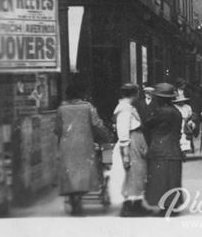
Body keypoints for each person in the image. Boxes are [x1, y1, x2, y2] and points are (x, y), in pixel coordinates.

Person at [55, 82, 111, 216]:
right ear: (82, 94)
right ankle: (78, 198)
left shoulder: (61, 109)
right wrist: (107, 136)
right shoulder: (88, 107)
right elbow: (98, 124)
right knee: (82, 172)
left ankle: (74, 199)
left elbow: (57, 129)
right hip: (84, 144)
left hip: (67, 145)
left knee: (70, 172)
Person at [143, 83, 185, 216]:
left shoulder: (159, 112)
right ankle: (172, 206)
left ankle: (164, 207)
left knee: (160, 180)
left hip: (159, 149)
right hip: (173, 149)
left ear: (160, 98)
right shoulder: (177, 112)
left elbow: (147, 125)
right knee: (172, 179)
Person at [112, 83, 150, 217]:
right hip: (131, 143)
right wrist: (126, 154)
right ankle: (128, 207)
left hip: (136, 141)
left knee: (139, 174)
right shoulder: (124, 110)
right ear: (134, 94)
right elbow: (123, 133)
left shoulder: (128, 108)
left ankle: (137, 205)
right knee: (132, 174)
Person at [174, 93, 196, 158]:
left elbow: (191, 115)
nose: (181, 102)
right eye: (179, 101)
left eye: (182, 101)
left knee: (186, 136)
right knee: (180, 137)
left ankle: (185, 151)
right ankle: (182, 152)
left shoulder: (187, 107)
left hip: (186, 122)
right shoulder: (175, 107)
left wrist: (190, 120)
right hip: (178, 122)